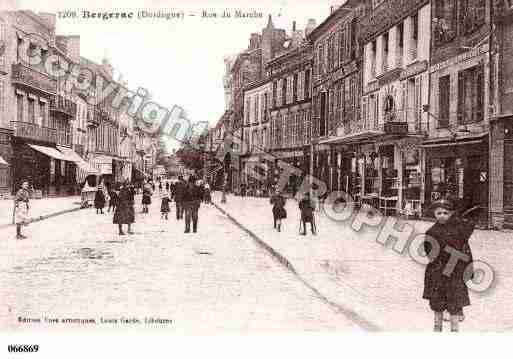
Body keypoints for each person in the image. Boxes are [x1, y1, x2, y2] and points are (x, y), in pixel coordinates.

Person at [423, 197, 475, 332]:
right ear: (434, 214)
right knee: (437, 303)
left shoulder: (458, 230)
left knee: (454, 302)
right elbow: (429, 251)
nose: (442, 216)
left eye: (445, 213)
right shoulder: (431, 232)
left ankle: (454, 329)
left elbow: (465, 244)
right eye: (439, 213)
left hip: (454, 272)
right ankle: (437, 327)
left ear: (451, 214)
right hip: (438, 272)